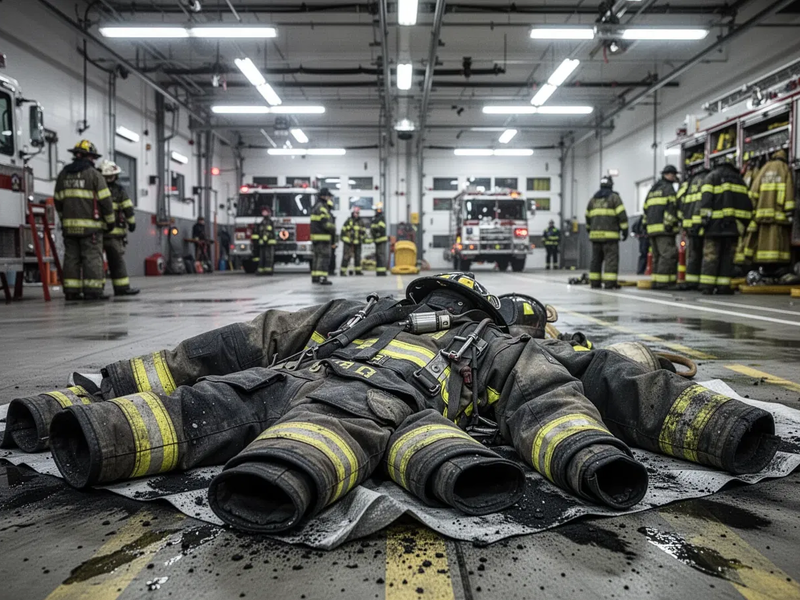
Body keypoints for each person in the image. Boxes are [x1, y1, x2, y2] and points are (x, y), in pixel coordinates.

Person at [4, 273, 779, 537]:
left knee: (199, 408)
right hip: (372, 407)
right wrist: (592, 458)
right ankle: (86, 419)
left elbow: (222, 350)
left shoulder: (356, 315)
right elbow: (557, 405)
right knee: (296, 432)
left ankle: (72, 424)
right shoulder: (502, 346)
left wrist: (103, 386)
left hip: (300, 388)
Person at [54, 140, 114, 301]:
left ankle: (71, 291)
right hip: (91, 229)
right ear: (89, 157)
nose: (94, 161)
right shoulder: (94, 175)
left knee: (71, 258)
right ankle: (93, 291)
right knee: (92, 257)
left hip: (69, 228)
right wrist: (110, 221)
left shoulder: (63, 175)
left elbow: (58, 200)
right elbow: (106, 201)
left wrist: (64, 219)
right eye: (93, 157)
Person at [698, 159, 752, 295]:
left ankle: (707, 286)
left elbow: (706, 201)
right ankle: (723, 286)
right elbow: (746, 204)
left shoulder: (711, 177)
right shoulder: (739, 180)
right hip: (733, 228)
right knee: (727, 257)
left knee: (711, 256)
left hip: (713, 227)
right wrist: (743, 224)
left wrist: (704, 221)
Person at [98, 160, 139, 296]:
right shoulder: (118, 190)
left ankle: (99, 289)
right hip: (110, 234)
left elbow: (127, 207)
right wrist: (131, 222)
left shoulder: (96, 189)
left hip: (100, 233)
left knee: (99, 262)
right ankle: (120, 288)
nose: (110, 178)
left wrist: (131, 222)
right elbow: (128, 208)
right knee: (114, 261)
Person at [585, 176, 628, 289]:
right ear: (611, 185)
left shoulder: (592, 200)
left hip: (595, 237)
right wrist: (625, 230)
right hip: (610, 237)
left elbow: (587, 218)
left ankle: (595, 283)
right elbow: (622, 216)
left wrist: (590, 231)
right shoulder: (614, 198)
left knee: (596, 260)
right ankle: (610, 283)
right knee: (611, 260)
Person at [643, 165, 680, 290]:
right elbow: (672, 208)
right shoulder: (668, 188)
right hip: (664, 230)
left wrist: (646, 225)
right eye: (673, 175)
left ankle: (656, 281)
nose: (674, 177)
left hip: (652, 229)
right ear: (668, 175)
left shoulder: (653, 189)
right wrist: (669, 224)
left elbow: (645, 209)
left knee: (657, 256)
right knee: (667, 255)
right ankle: (664, 283)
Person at [676, 168, 709, 291]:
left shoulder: (688, 183)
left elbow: (679, 201)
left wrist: (682, 221)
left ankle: (691, 281)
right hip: (702, 223)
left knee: (693, 253)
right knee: (706, 253)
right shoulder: (708, 180)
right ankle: (702, 281)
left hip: (688, 224)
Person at [310, 188, 336, 285]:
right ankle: (322, 278)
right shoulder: (322, 207)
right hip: (323, 238)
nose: (330, 199)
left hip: (316, 238)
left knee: (317, 258)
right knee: (324, 257)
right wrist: (333, 227)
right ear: (324, 196)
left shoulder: (316, 206)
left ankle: (316, 277)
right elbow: (326, 224)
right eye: (329, 197)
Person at [340, 206, 364, 276]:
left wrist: (361, 238)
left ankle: (358, 271)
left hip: (358, 242)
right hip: (348, 242)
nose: (356, 214)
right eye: (355, 213)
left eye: (357, 213)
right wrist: (346, 240)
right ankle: (343, 271)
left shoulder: (360, 222)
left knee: (358, 257)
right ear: (352, 213)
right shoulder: (348, 221)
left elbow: (363, 232)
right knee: (346, 256)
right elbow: (343, 232)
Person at [252, 207, 276, 276]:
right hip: (262, 243)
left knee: (268, 257)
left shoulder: (270, 222)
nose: (264, 213)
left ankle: (268, 270)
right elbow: (260, 232)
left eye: (265, 212)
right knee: (262, 257)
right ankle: (261, 270)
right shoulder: (262, 222)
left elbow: (269, 232)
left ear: (268, 213)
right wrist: (259, 240)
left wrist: (265, 238)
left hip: (269, 243)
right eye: (263, 212)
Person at [371, 202, 388, 277]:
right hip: (377, 240)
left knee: (381, 255)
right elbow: (373, 228)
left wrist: (376, 232)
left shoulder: (381, 217)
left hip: (381, 239)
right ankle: (379, 271)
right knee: (378, 255)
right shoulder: (375, 218)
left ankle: (382, 271)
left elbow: (381, 228)